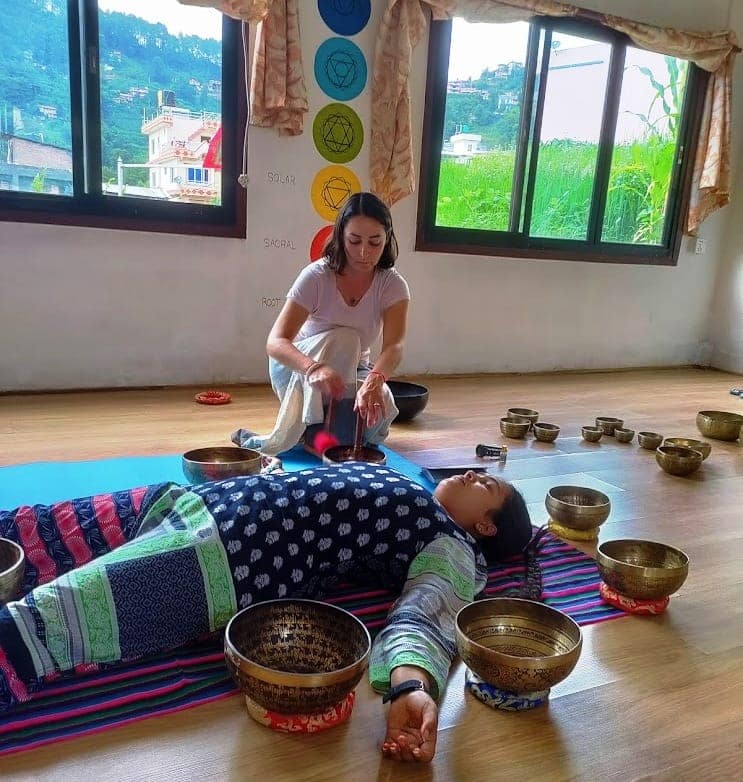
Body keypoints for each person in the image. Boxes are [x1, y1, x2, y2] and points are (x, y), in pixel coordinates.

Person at [0, 465, 534, 763]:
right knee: (30, 529)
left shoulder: (453, 546)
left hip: (223, 561)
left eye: (485, 485)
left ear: (485, 527)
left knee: (37, 627)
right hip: (191, 500)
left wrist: (410, 686)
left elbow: (427, 611)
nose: (472, 472)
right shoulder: (413, 485)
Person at [233, 191, 410, 456]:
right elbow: (276, 342)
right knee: (346, 339)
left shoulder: (392, 284)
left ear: (387, 239)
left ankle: (310, 433)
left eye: (375, 242)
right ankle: (317, 435)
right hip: (299, 368)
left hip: (352, 369)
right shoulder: (317, 276)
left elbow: (394, 346)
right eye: (354, 241)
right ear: (341, 236)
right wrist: (313, 368)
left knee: (380, 406)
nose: (364, 252)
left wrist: (375, 380)